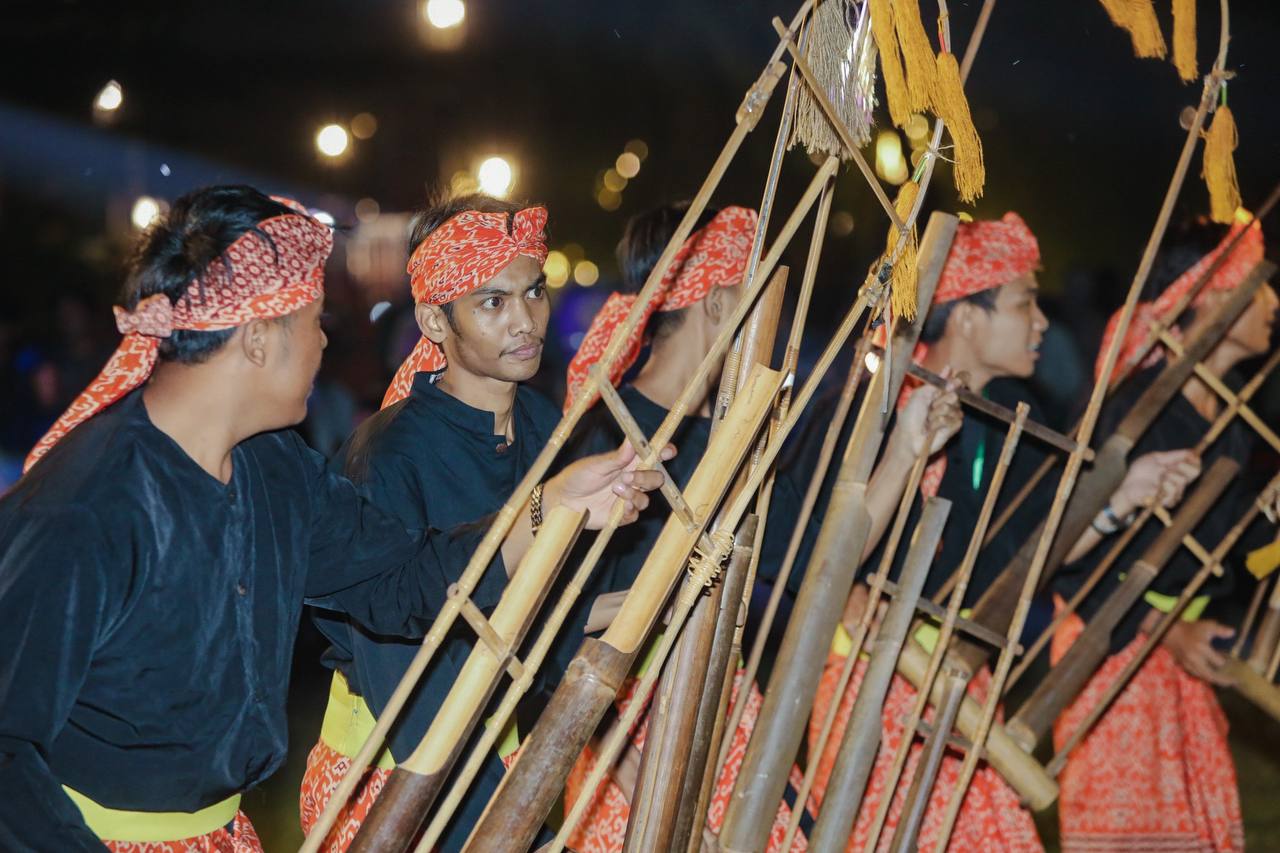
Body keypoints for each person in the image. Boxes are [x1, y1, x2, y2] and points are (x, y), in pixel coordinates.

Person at [0, 185, 661, 852]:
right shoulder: (84, 506)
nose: (325, 343)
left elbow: (400, 577)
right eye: (316, 322)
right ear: (259, 338)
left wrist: (548, 510)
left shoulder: (275, 468)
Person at [556, 201, 961, 852]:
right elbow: (567, 637)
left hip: (723, 734)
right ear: (718, 302)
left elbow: (820, 553)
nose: (775, 327)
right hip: (635, 771)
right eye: (760, 295)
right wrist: (651, 791)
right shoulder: (609, 436)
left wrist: (909, 446)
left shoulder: (727, 439)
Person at [807, 212, 1201, 851]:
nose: (1042, 321)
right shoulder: (871, 407)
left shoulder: (1008, 421)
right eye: (1023, 303)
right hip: (875, 698)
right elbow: (818, 554)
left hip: (960, 685)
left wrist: (1120, 497)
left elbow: (1033, 552)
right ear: (965, 314)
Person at [297, 193, 667, 851]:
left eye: (533, 293)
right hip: (394, 789)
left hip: (489, 766)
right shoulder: (384, 458)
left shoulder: (540, 427)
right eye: (492, 302)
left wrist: (667, 586)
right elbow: (408, 693)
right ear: (435, 322)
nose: (524, 320)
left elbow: (548, 618)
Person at [1051, 212, 1277, 852]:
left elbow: (1232, 559)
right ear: (1214, 298)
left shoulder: (1230, 411)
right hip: (1112, 653)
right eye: (1258, 286)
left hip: (1180, 655)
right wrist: (1166, 631)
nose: (1274, 302)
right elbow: (1064, 559)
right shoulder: (1136, 407)